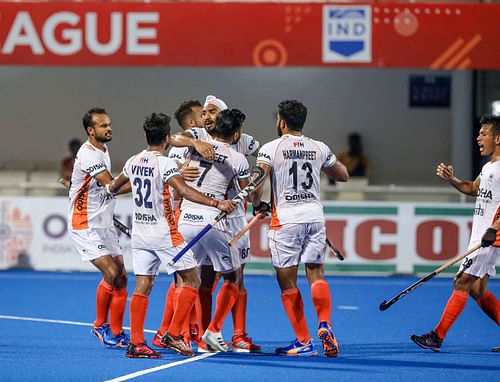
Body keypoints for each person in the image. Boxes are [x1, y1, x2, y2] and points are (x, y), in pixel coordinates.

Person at [108, 112, 236, 358]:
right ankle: (175, 334)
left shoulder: (133, 161)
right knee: (192, 280)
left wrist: (109, 189)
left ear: (146, 135)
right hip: (165, 233)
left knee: (143, 285)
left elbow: (114, 187)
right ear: (167, 138)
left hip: (141, 235)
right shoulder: (165, 164)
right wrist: (216, 203)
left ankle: (136, 343)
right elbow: (184, 191)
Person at [154, 95, 262, 353]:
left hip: (189, 219)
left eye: (213, 112)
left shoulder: (209, 144)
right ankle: (211, 331)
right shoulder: (207, 143)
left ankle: (177, 333)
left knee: (191, 278)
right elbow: (251, 193)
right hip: (214, 220)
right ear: (235, 133)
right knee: (232, 278)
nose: (208, 116)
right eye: (205, 112)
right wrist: (260, 183)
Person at [251, 99, 349, 357]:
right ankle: (325, 323)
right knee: (316, 273)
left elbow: (258, 181)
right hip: (314, 218)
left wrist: (256, 204)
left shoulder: (270, 148)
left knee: (287, 283)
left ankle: (303, 340)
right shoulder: (318, 147)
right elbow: (343, 175)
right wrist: (323, 163)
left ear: (281, 121)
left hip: (286, 221)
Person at [411, 115, 500, 352]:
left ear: (498, 138)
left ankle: (437, 337)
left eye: (484, 133)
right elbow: (472, 188)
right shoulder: (489, 167)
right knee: (477, 289)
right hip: (483, 235)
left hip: (490, 238)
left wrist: (493, 228)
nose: (478, 137)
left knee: (461, 282)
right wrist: (452, 179)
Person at [67, 107, 129, 348]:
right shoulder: (89, 154)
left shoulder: (103, 149)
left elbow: (103, 191)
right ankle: (99, 325)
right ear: (90, 130)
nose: (109, 128)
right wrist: (141, 179)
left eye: (109, 124)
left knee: (122, 277)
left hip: (103, 223)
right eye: (103, 125)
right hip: (84, 224)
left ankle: (116, 330)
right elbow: (112, 186)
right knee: (111, 273)